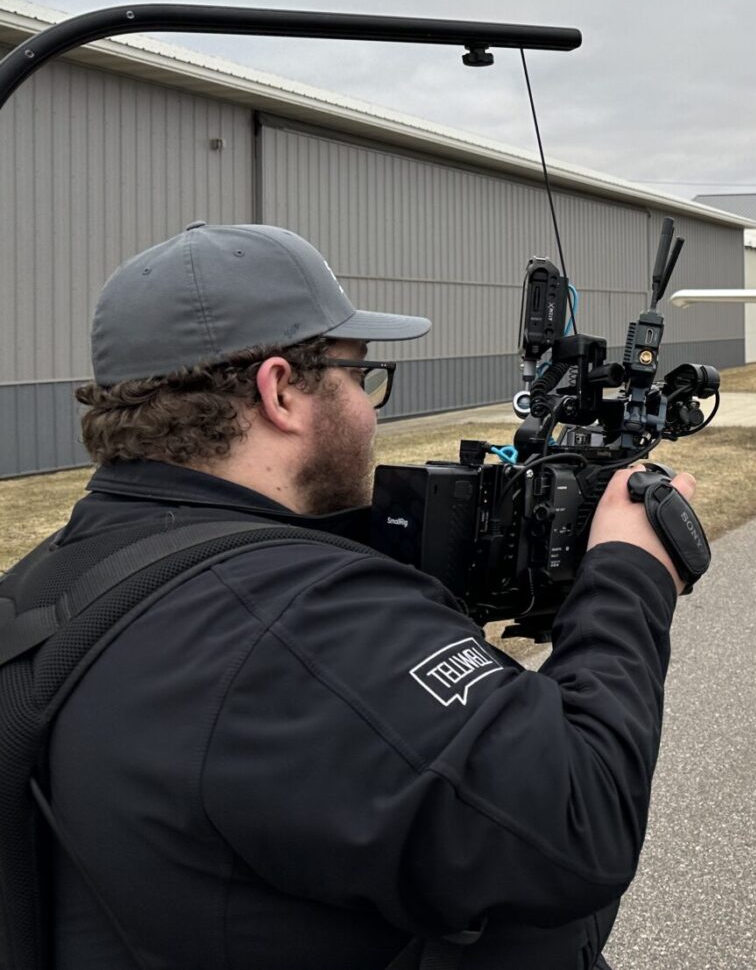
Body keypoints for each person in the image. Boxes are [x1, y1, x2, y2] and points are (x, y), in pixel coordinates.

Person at [20, 222, 690, 968]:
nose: (372, 409)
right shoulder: (301, 626)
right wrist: (630, 572)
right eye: (360, 375)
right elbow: (580, 816)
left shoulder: (50, 581)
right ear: (280, 391)